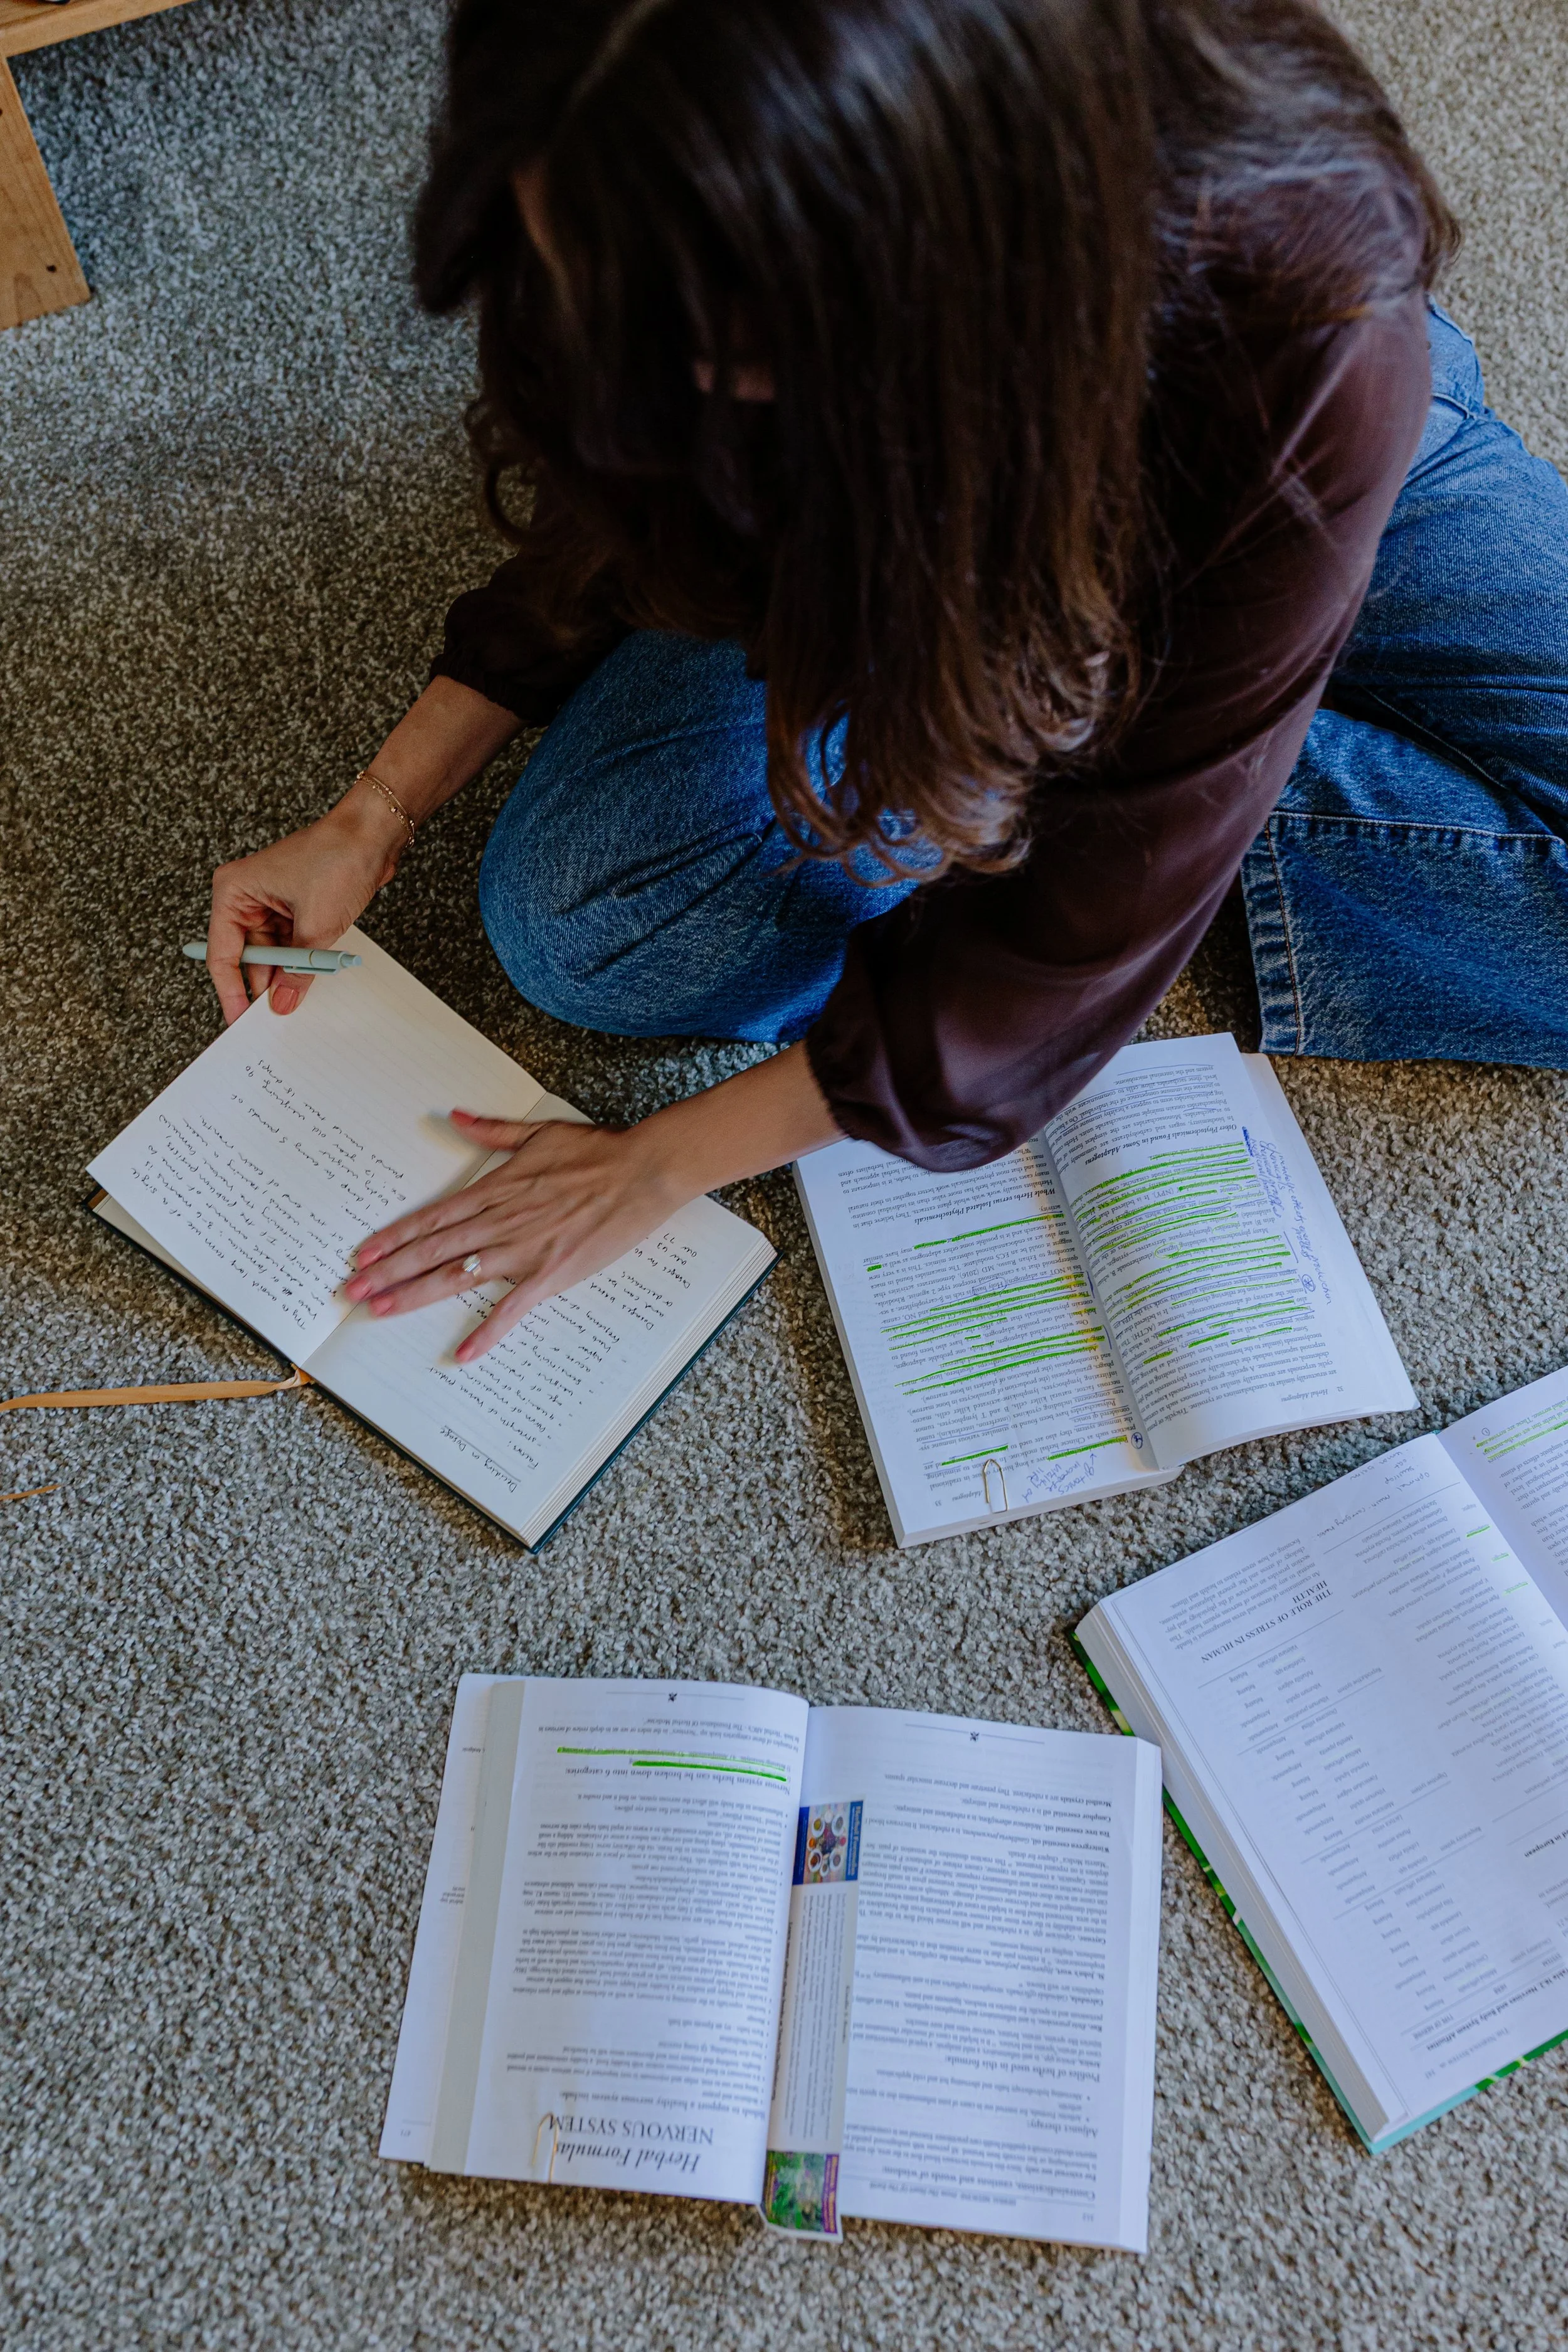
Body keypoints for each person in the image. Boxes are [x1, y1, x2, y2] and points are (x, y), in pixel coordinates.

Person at [203, 0, 1568, 1366]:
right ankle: (1148, 754)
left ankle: (1166, 754)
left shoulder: (1305, 294)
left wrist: (657, 1162)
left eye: (712, 344)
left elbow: (1021, 1000)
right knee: (589, 920)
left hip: (1259, 458)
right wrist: (379, 804)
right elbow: (624, 490)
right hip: (903, 516)